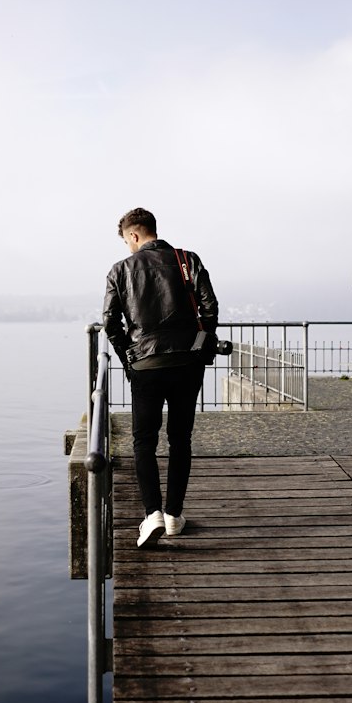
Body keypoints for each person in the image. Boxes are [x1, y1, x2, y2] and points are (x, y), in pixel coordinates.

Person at [102, 207, 219, 548]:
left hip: (145, 366)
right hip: (187, 363)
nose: (128, 247)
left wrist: (130, 356)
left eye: (127, 241)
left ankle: (151, 513)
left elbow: (111, 324)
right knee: (180, 439)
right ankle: (173, 516)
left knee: (144, 441)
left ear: (134, 236)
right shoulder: (187, 260)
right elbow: (210, 308)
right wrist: (198, 347)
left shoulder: (120, 270)